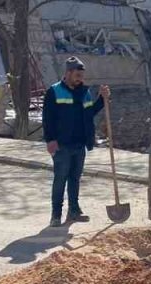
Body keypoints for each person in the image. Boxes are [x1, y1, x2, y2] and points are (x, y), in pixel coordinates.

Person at [42, 56, 109, 228]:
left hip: (79, 144)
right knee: (60, 179)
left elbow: (89, 113)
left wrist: (102, 99)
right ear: (68, 73)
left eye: (82, 75)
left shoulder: (84, 92)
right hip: (61, 145)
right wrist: (50, 140)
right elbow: (47, 119)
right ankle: (56, 214)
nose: (80, 78)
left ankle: (74, 210)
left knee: (75, 178)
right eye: (77, 75)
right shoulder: (54, 91)